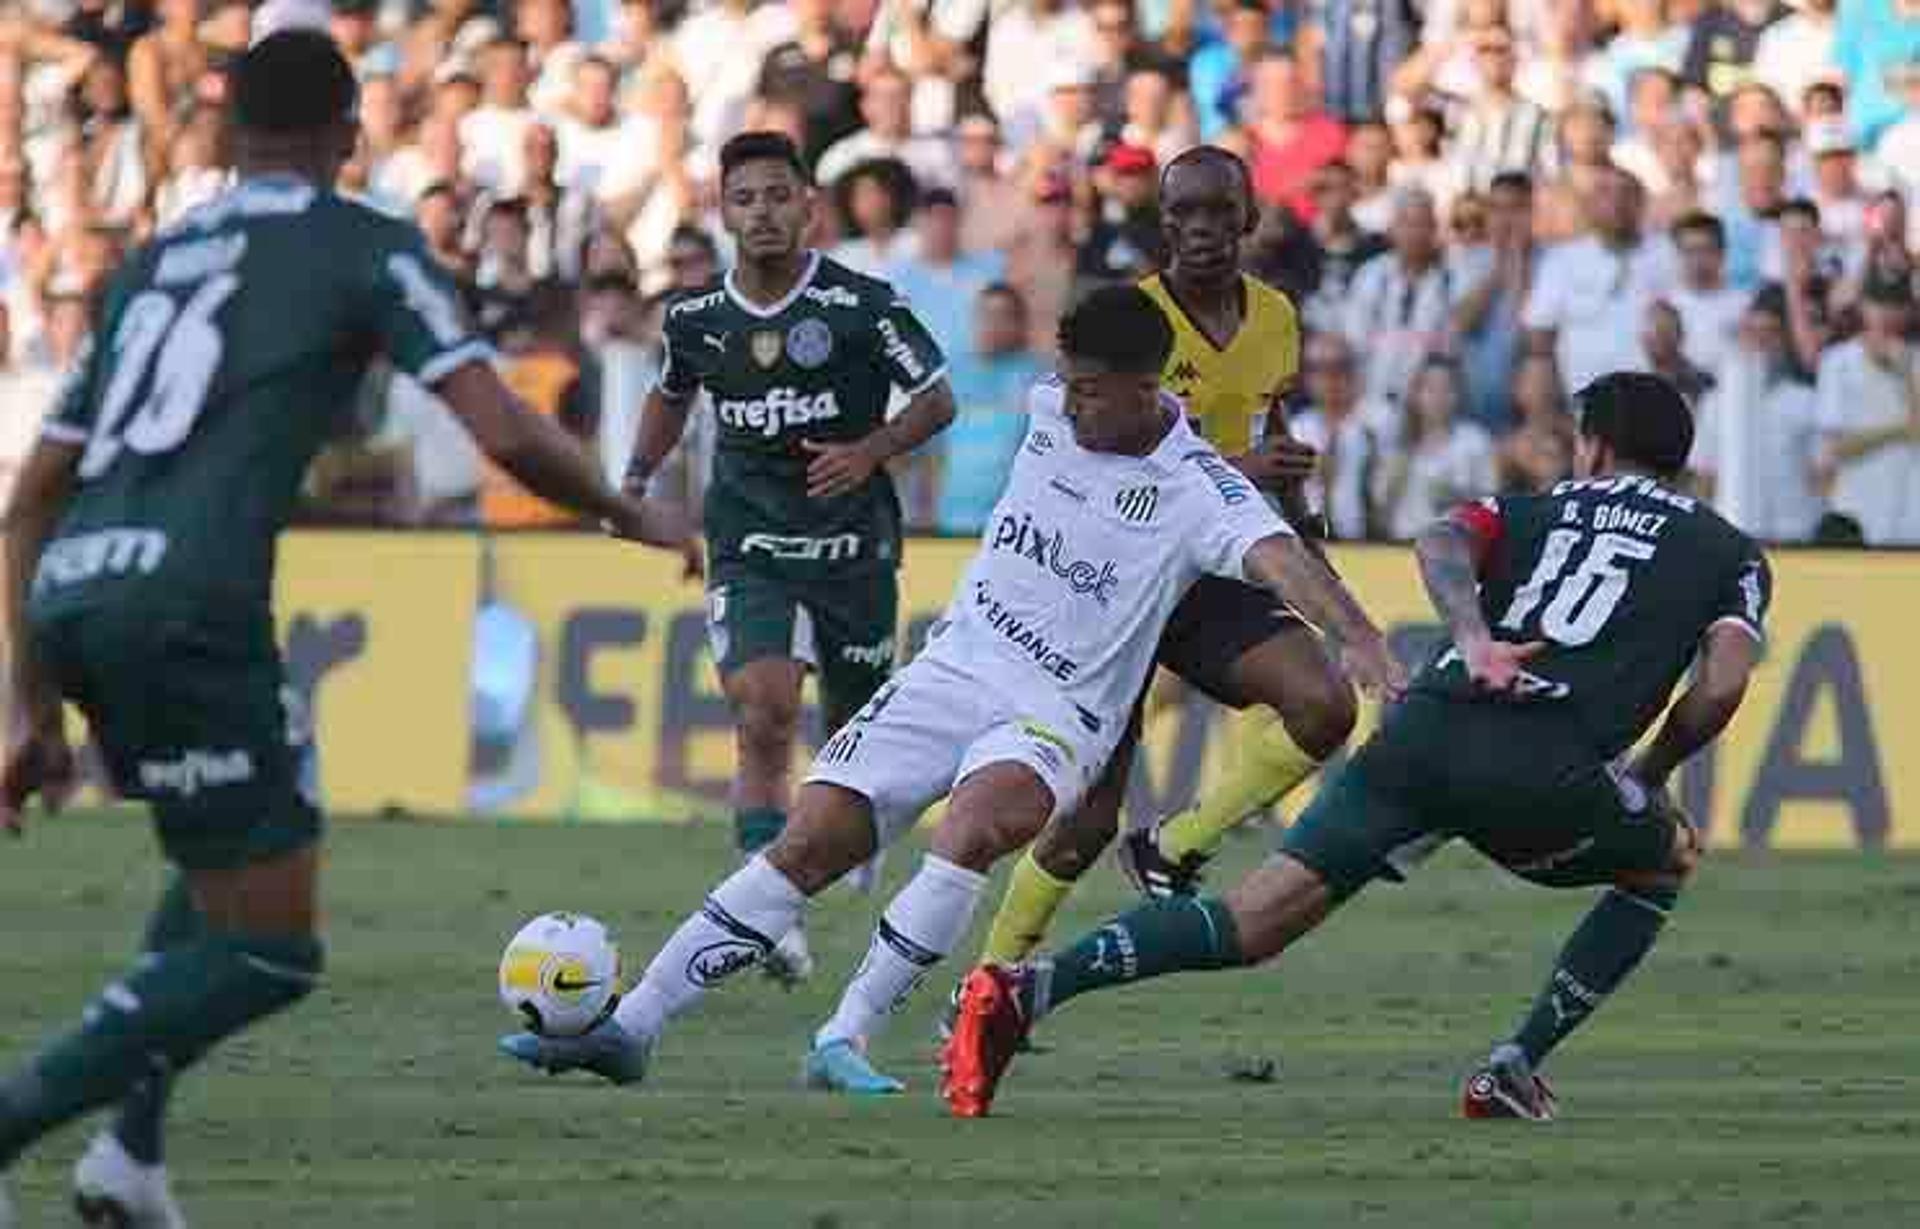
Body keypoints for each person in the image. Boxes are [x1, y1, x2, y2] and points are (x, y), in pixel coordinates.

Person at [0, 31, 684, 1227]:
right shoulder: (365, 245)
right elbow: (508, 433)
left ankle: (130, 1160)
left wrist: (27, 696)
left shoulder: (150, 262)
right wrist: (631, 510)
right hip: (192, 601)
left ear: (224, 134)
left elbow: (30, 500)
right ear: (351, 131)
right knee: (268, 951)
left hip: (78, 589)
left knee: (246, 833)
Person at [497, 284, 1403, 1094]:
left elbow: (1281, 558)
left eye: (1093, 388)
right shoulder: (1053, 406)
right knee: (812, 841)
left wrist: (1358, 635)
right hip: (954, 663)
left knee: (974, 829)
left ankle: (845, 1034)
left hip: (1058, 710)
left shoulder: (1201, 489)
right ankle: (632, 1029)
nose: (1070, 399)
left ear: (1147, 384)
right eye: (1069, 380)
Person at [947, 371, 1773, 1122]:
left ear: (1594, 444)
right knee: (1663, 859)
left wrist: (1474, 637)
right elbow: (1723, 683)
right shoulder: (1730, 553)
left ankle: (1027, 987)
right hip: (1544, 773)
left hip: (1426, 726)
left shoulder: (1539, 507)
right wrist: (1649, 775)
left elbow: (1440, 539)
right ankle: (1513, 1064)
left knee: (1252, 920)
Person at [960, 146, 1363, 1017]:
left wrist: (1309, 542)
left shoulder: (1277, 319)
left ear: (1250, 217)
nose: (1205, 231)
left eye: (1222, 212)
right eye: (1185, 214)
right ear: (1163, 224)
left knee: (1327, 705)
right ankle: (985, 988)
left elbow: (1274, 435)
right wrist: (1247, 464)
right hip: (1114, 571)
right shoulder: (1124, 317)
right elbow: (1085, 446)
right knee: (1081, 820)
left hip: (1210, 572)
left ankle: (1174, 846)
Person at [613, 131, 957, 983]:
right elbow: (669, 396)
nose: (761, 212)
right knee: (761, 710)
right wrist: (633, 481)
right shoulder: (695, 318)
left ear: (808, 205)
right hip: (749, 541)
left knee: (856, 733)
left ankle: (850, 837)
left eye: (777, 196)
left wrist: (870, 450)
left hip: (852, 546)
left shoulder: (860, 304)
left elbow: (937, 397)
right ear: (723, 211)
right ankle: (767, 917)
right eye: (744, 198)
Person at [1693, 286, 1823, 541]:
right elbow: (1705, 476)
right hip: (1732, 532)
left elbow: (1821, 474)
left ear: (1784, 340)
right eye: (1753, 332)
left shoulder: (1807, 400)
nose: (1760, 341)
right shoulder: (1715, 403)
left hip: (1794, 532)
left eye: (1770, 332)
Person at [932, 283, 1046, 534]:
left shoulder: (1040, 379)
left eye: (1001, 316)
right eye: (984, 315)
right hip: (951, 524)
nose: (991, 324)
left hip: (1015, 530)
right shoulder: (951, 375)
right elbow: (932, 456)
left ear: (1020, 324)